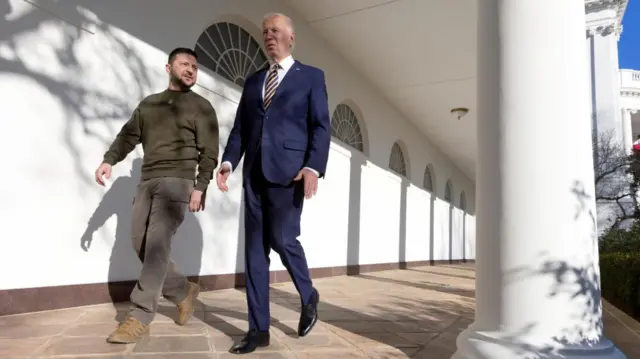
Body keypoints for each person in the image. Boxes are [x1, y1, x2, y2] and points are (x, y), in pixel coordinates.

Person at [216, 12, 331, 355]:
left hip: (289, 173)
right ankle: (258, 330)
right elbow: (240, 129)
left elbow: (321, 126)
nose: (269, 36)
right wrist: (227, 162)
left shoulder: (310, 77)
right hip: (253, 176)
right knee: (254, 254)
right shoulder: (253, 82)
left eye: (275, 31)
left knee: (283, 239)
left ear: (291, 37)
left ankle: (308, 294)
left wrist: (312, 167)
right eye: (265, 32)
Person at [93, 47, 220, 344]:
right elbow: (128, 136)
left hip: (179, 182)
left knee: (158, 245)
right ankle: (181, 290)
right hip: (147, 180)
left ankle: (139, 315)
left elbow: (209, 152)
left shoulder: (202, 107)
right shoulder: (149, 105)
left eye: (194, 66)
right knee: (140, 242)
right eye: (184, 64)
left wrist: (200, 186)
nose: (190, 69)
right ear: (168, 67)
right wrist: (108, 160)